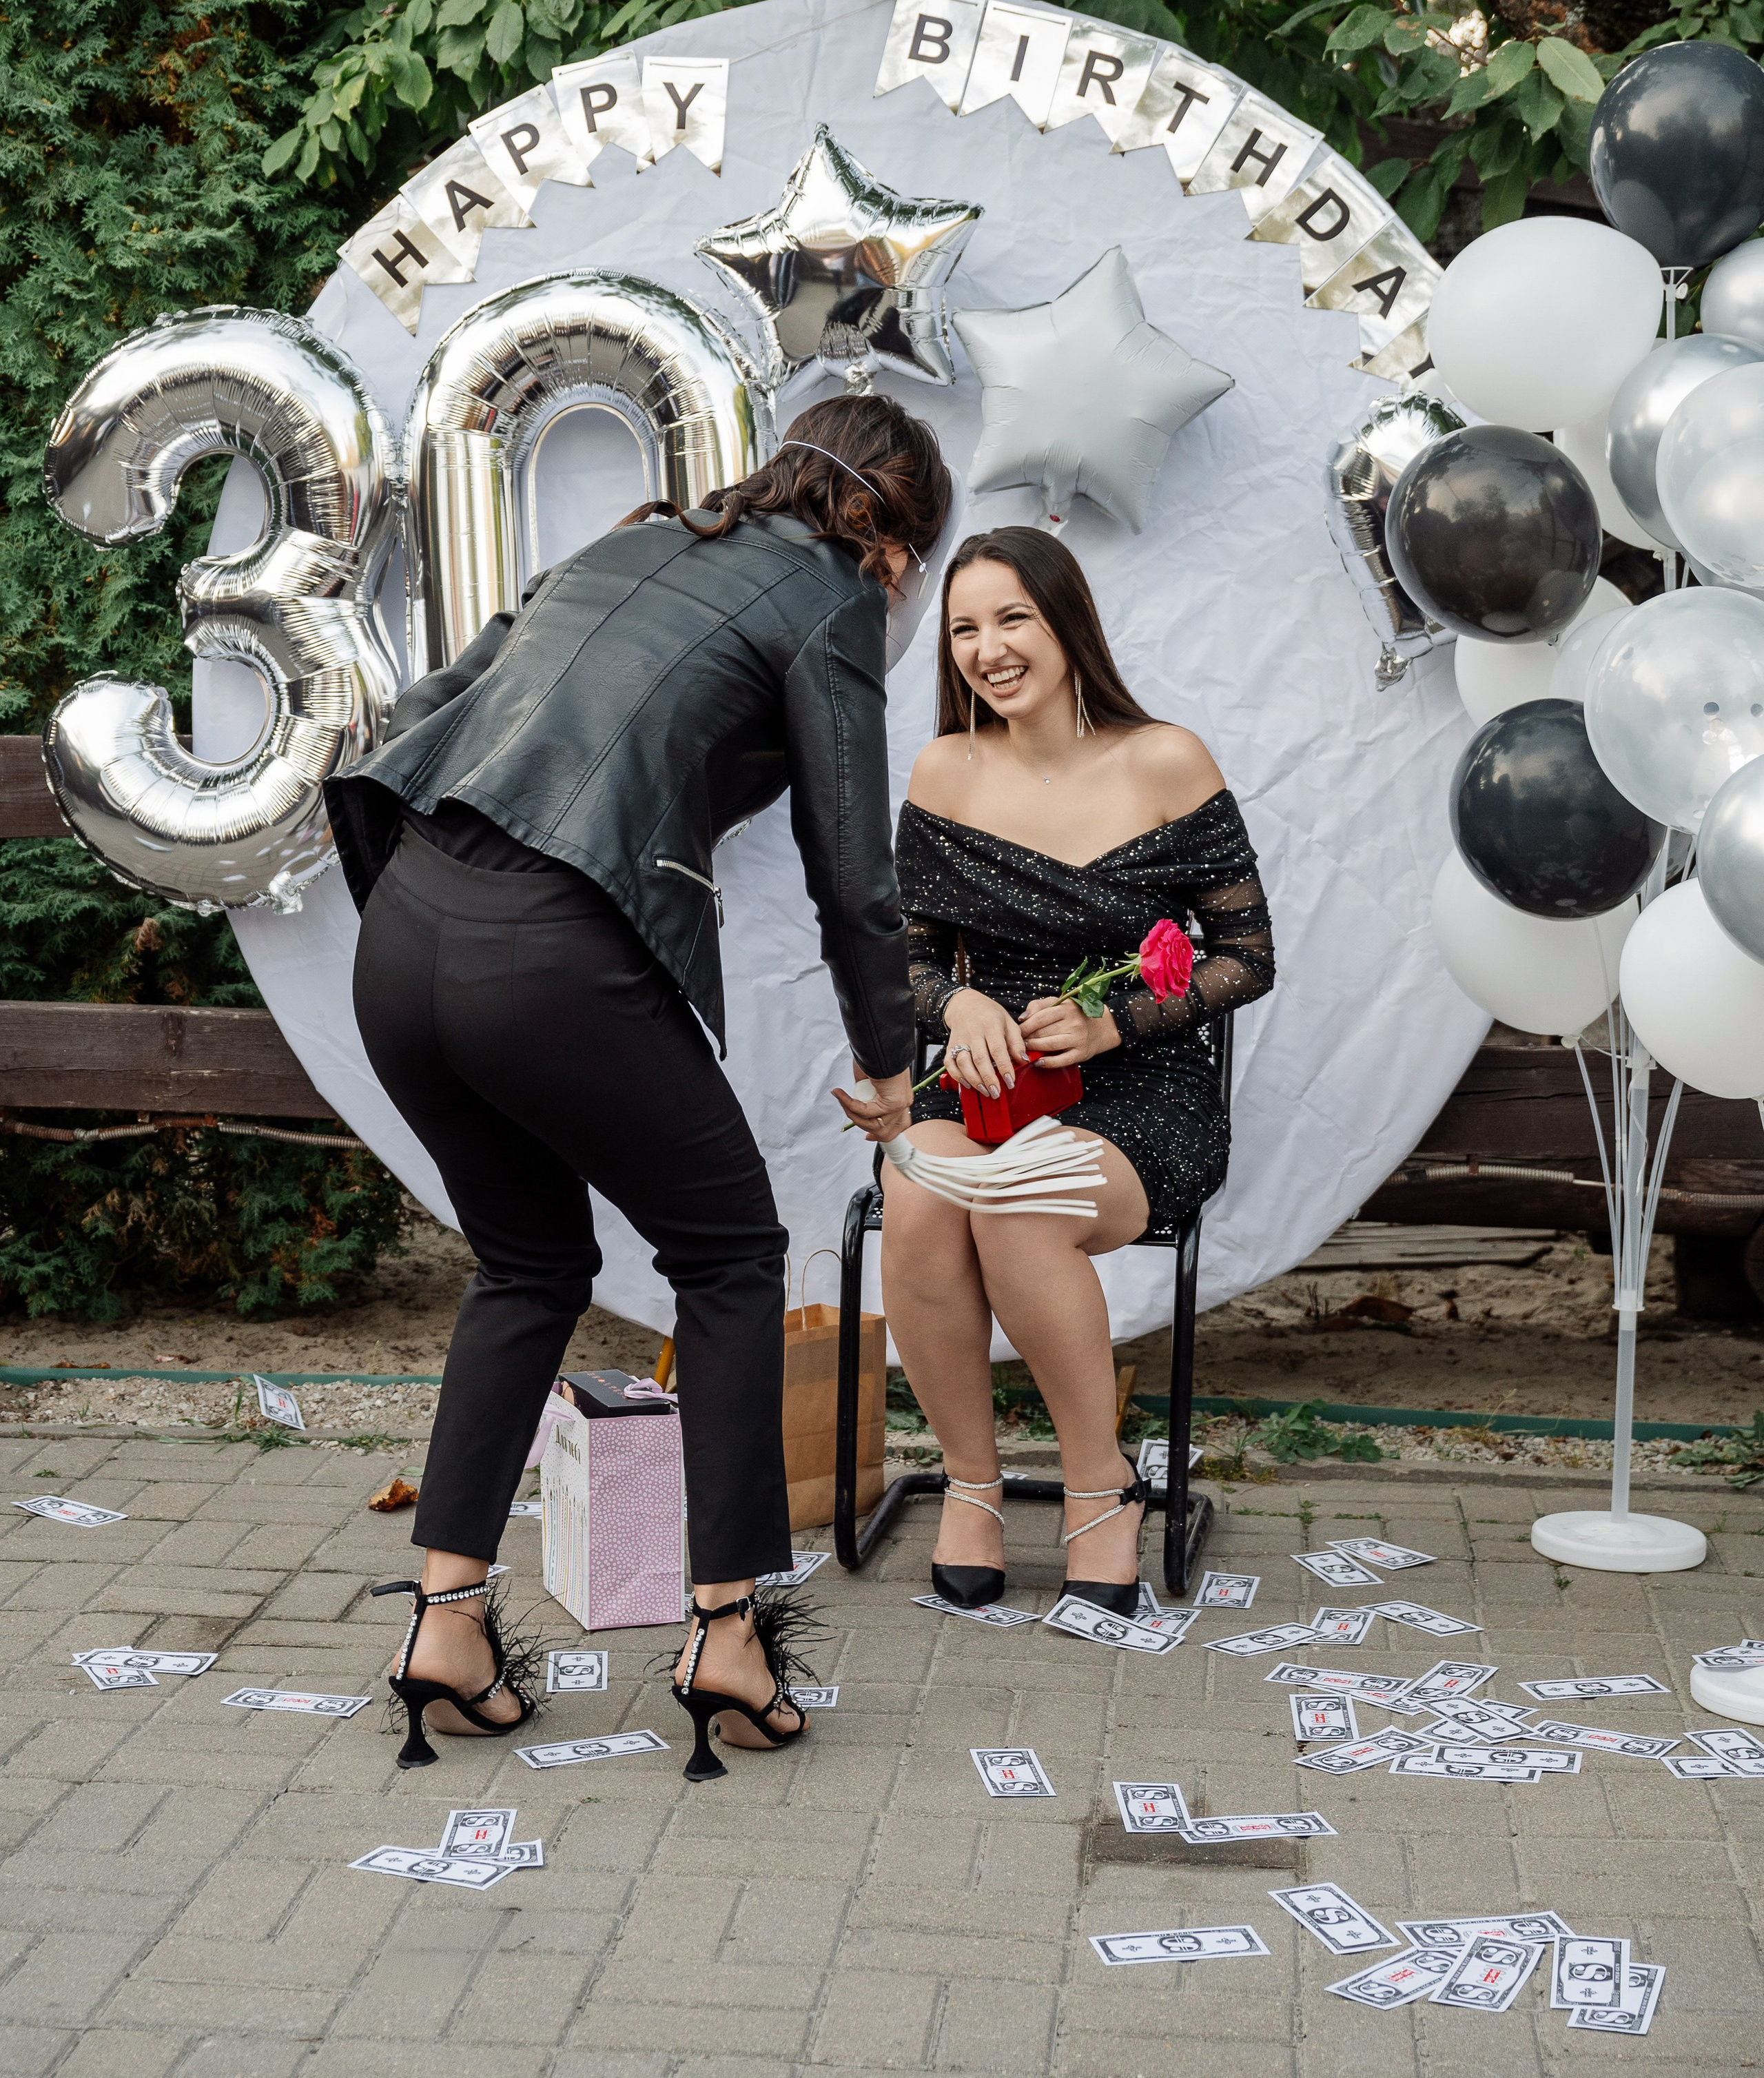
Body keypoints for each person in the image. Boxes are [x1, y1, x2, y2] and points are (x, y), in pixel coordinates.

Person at [325, 396, 950, 1777]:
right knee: (728, 1252)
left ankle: (444, 1620)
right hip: (549, 946)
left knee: (526, 1264)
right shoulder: (831, 597)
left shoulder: (636, 536)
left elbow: (446, 704)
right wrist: (892, 1063)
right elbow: (856, 870)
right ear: (895, 546)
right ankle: (726, 1634)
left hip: (408, 925)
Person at [881, 527, 1274, 1615]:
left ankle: (1102, 1487)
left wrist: (1117, 1026)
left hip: (1141, 1082)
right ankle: (973, 1483)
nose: (989, 648)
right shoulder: (944, 770)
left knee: (1018, 1204)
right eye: (964, 628)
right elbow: (902, 962)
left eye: (1012, 619)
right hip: (988, 1073)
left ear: (1066, 625)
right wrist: (956, 1003)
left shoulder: (1166, 760)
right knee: (917, 1195)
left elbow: (1248, 958)